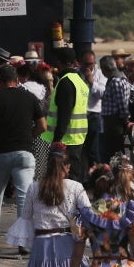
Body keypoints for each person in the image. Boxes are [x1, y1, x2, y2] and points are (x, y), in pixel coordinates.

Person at [0, 64, 43, 245]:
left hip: (1, 152)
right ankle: (23, 238)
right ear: (17, 80)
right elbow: (42, 126)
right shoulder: (30, 97)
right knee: (24, 196)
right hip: (25, 152)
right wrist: (29, 138)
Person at [41, 47, 90, 176]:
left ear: (59, 62)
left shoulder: (66, 82)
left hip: (65, 141)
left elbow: (64, 114)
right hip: (77, 139)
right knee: (73, 178)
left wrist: (57, 140)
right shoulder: (81, 82)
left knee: (63, 178)